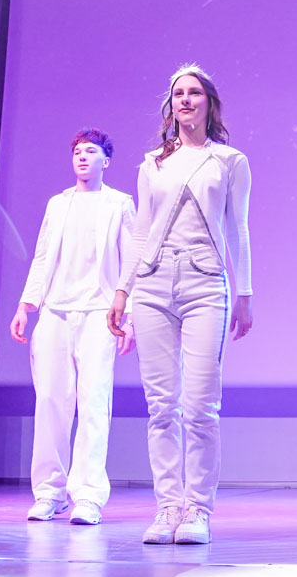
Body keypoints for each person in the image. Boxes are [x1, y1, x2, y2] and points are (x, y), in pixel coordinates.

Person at [108, 64, 253, 546]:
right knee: (161, 407)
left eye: (194, 93)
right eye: (178, 94)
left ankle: (198, 509)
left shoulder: (228, 161)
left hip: (205, 283)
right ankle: (167, 506)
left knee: (200, 406)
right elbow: (141, 231)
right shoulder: (152, 164)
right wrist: (123, 291)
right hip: (153, 284)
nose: (185, 100)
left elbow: (238, 229)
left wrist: (245, 293)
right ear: (170, 106)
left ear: (210, 103)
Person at [9, 129, 136, 526]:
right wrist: (26, 305)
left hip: (99, 313)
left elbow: (131, 261)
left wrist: (130, 315)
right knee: (50, 401)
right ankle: (49, 492)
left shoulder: (120, 204)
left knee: (93, 403)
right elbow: (43, 256)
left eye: (91, 151)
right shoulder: (58, 203)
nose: (82, 156)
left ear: (105, 161)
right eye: (78, 151)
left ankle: (88, 496)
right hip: (55, 311)